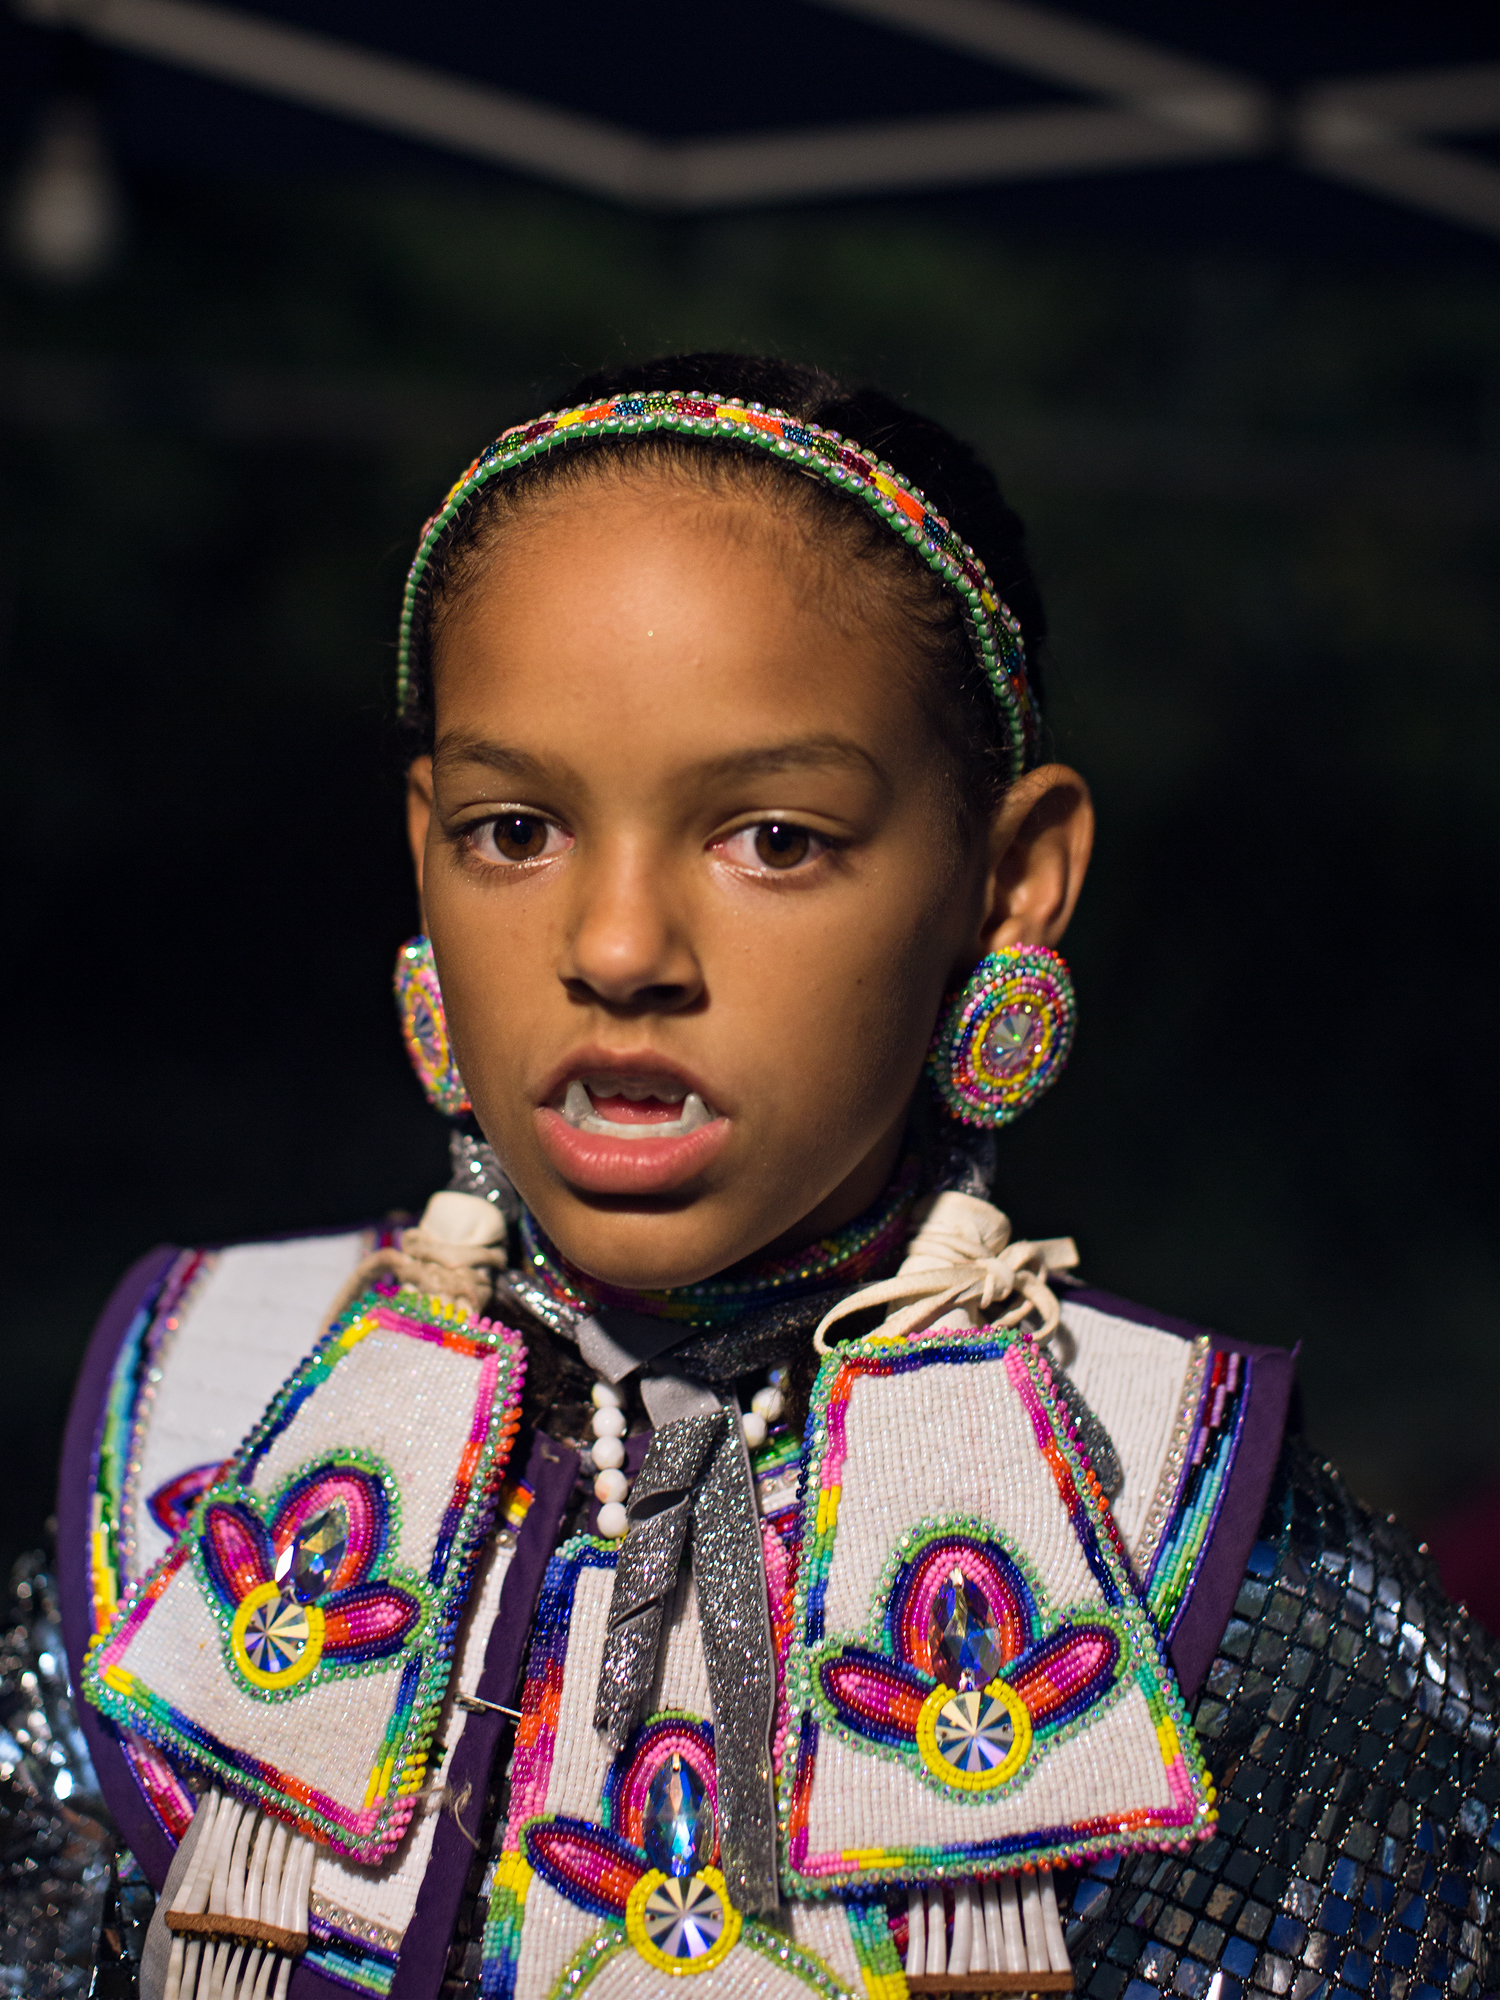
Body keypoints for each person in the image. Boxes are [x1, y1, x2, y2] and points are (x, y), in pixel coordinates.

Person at [11, 355, 1493, 2000]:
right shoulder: (199, 1439)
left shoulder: (1190, 1559)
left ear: (1006, 881)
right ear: (421, 839)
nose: (619, 948)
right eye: (516, 830)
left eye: (775, 837)